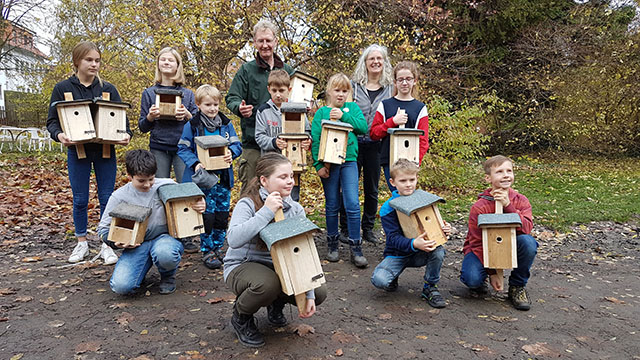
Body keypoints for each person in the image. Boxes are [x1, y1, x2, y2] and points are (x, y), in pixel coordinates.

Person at [223, 153, 327, 348]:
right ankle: (241, 316)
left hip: (281, 269)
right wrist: (266, 211)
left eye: (291, 176)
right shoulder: (248, 204)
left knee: (319, 291)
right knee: (267, 284)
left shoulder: (295, 209)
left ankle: (275, 305)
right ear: (264, 180)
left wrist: (309, 294)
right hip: (243, 266)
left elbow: (303, 253)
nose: (290, 182)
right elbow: (234, 239)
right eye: (283, 177)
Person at [46, 41, 131, 265]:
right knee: (81, 199)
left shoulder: (108, 89)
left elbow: (123, 120)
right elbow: (52, 122)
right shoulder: (63, 88)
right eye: (89, 60)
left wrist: (126, 135)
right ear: (77, 62)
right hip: (78, 151)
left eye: (97, 60)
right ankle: (82, 242)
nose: (94, 64)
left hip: (105, 152)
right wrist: (60, 136)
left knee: (106, 198)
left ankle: (106, 244)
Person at [98, 150, 205, 295]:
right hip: (136, 244)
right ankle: (138, 271)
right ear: (129, 176)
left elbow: (191, 197)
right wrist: (113, 242)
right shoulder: (119, 196)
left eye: (151, 179)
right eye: (141, 181)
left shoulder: (166, 185)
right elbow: (103, 229)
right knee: (121, 287)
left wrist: (200, 202)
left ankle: (168, 275)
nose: (147, 185)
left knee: (165, 253)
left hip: (164, 239)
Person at [138, 47, 199, 253]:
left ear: (177, 65)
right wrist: (150, 117)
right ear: (158, 64)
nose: (166, 63)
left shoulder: (187, 94)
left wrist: (188, 115)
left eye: (171, 60)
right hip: (159, 146)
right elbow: (142, 127)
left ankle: (187, 234)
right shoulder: (149, 93)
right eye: (162, 59)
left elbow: (199, 124)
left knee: (185, 189)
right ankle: (162, 232)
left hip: (183, 148)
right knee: (159, 190)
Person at [459, 155, 537, 310]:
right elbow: (476, 242)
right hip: (481, 249)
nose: (506, 175)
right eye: (500, 171)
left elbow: (527, 228)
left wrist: (508, 206)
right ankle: (481, 280)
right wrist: (493, 272)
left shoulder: (520, 200)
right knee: (472, 279)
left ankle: (517, 286)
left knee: (528, 243)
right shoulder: (479, 207)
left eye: (509, 171)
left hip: (511, 244)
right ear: (488, 178)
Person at [177, 85, 242, 269]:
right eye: (207, 105)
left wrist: (232, 152)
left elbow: (237, 145)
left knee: (221, 215)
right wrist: (195, 163)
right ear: (198, 105)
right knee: (207, 215)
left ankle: (219, 247)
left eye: (215, 104)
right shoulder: (192, 125)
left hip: (223, 179)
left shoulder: (226, 124)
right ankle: (207, 250)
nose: (212, 108)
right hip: (204, 180)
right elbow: (182, 148)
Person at [370, 159, 451, 308]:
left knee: (439, 251)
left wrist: (445, 229)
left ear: (417, 179)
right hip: (397, 254)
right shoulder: (388, 208)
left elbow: (433, 225)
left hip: (422, 252)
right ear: (393, 182)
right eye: (403, 180)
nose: (408, 184)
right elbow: (393, 238)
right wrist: (414, 243)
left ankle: (430, 287)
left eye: (412, 179)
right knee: (380, 280)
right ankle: (393, 276)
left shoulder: (424, 199)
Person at [225, 19, 293, 193]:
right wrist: (239, 108)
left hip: (284, 144)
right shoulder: (246, 71)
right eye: (260, 41)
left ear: (275, 41)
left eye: (268, 40)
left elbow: (299, 100)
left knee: (282, 193)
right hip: (254, 144)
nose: (265, 45)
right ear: (254, 42)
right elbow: (232, 97)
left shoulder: (288, 70)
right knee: (251, 191)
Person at [311, 73, 369, 268]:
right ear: (329, 91)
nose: (341, 94)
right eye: (337, 90)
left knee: (352, 202)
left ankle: (355, 247)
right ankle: (332, 245)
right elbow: (316, 139)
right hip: (328, 163)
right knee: (332, 203)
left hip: (349, 161)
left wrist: (344, 115)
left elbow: (362, 127)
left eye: (345, 91)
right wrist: (318, 166)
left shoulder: (352, 108)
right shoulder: (321, 113)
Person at [343, 44, 394, 244]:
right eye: (371, 59)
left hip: (377, 143)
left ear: (384, 62)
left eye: (379, 59)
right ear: (364, 63)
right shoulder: (353, 86)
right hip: (352, 142)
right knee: (349, 187)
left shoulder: (390, 88)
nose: (375, 62)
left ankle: (368, 228)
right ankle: (346, 227)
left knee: (372, 188)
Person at [369, 61, 429, 191]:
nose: (404, 83)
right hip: (389, 161)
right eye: (400, 79)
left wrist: (415, 162)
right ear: (395, 82)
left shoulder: (420, 108)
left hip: (411, 162)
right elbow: (374, 133)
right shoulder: (385, 105)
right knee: (396, 194)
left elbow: (423, 140)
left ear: (415, 81)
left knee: (407, 196)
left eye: (408, 79)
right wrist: (392, 122)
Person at [255, 69, 311, 201]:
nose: (278, 95)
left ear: (289, 89)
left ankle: (292, 220)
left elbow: (307, 131)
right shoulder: (263, 111)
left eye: (281, 90)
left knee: (291, 196)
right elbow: (259, 136)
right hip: (271, 165)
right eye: (274, 90)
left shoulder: (298, 109)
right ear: (269, 89)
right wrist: (274, 142)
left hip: (292, 164)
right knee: (271, 197)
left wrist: (307, 140)